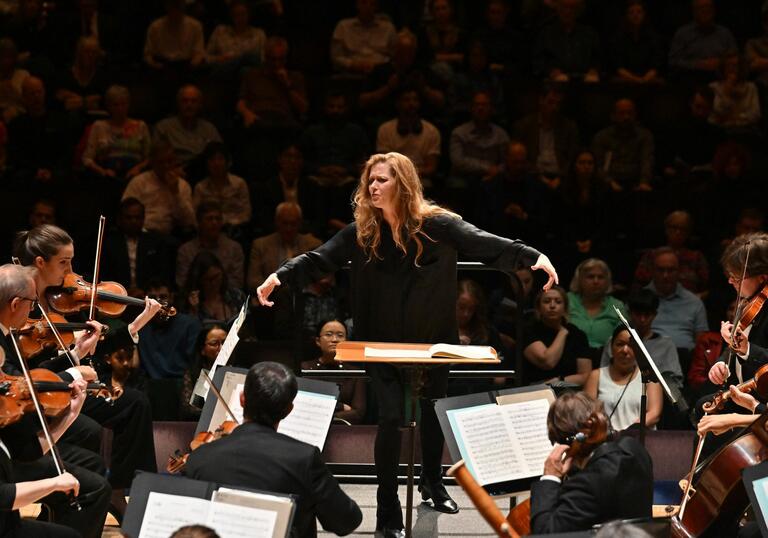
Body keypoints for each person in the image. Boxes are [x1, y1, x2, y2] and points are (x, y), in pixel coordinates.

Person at [256, 152, 557, 536]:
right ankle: (387, 508)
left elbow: (485, 244)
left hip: (433, 342)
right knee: (391, 418)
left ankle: (432, 483)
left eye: (382, 179)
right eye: (370, 181)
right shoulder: (362, 232)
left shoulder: (439, 225)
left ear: (403, 184)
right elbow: (320, 259)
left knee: (432, 410)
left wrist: (534, 256)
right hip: (379, 344)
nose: (373, 187)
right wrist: (279, 277)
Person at [13, 224, 162, 517]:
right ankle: (72, 500)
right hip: (41, 392)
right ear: (40, 262)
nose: (70, 271)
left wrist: (135, 325)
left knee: (135, 403)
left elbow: (96, 344)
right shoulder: (20, 305)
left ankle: (120, 490)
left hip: (70, 384)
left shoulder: (62, 300)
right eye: (64, 262)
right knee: (98, 424)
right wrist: (74, 358)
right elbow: (29, 370)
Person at [184, 361, 363, 537]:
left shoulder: (200, 457)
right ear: (288, 410)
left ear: (242, 399)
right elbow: (346, 521)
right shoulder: (304, 458)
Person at [0, 263, 106, 538]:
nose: (34, 309)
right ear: (15, 304)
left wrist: (73, 356)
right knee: (92, 486)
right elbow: (21, 386)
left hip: (14, 445)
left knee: (91, 463)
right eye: (31, 303)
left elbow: (23, 380)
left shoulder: (7, 335)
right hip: (10, 450)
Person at [530, 392, 653, 533]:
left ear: (567, 444)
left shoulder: (587, 484)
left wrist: (550, 478)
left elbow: (544, 533)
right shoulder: (635, 450)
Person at [584, 325, 663, 431]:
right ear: (611, 347)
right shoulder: (596, 376)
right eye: (619, 344)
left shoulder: (650, 376)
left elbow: (654, 414)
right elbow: (587, 412)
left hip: (638, 438)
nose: (625, 350)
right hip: (605, 440)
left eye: (631, 345)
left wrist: (628, 432)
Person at [122, 139, 196, 236]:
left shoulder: (183, 185)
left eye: (169, 161)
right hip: (141, 233)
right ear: (152, 163)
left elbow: (189, 221)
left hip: (167, 236)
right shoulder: (139, 182)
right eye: (161, 162)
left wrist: (175, 193)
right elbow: (124, 212)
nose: (166, 166)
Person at [523, 286, 592, 386]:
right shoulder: (529, 331)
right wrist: (562, 333)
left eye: (558, 302)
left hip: (568, 388)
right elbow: (547, 362)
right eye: (546, 301)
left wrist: (558, 381)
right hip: (535, 388)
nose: (552, 305)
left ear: (565, 308)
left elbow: (585, 375)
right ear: (538, 308)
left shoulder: (577, 334)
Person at [301, 319, 366, 425]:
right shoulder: (305, 368)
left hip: (345, 432)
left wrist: (322, 415)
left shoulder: (355, 372)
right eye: (329, 334)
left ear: (346, 341)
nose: (335, 339)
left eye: (340, 335)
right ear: (318, 341)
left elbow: (358, 413)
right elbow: (304, 407)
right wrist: (340, 407)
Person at [81, 84, 151, 183]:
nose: (120, 108)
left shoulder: (140, 126)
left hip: (136, 178)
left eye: (123, 104)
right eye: (116, 105)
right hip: (107, 178)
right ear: (108, 106)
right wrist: (102, 171)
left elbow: (150, 157)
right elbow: (87, 158)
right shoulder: (99, 126)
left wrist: (138, 168)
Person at [154, 85, 223, 173]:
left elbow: (220, 154)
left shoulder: (209, 129)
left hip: (204, 173)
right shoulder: (164, 127)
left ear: (200, 105)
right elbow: (157, 157)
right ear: (178, 104)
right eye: (185, 101)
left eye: (193, 101)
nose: (189, 105)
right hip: (173, 172)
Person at [176, 202, 245, 290]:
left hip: (227, 298)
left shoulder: (234, 248)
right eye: (209, 219)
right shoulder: (186, 251)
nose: (214, 222)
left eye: (218, 219)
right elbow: (182, 282)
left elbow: (237, 282)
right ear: (199, 222)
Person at [567, 258, 626, 349]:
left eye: (600, 277)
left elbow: (623, 339)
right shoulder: (567, 300)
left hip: (605, 358)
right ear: (579, 280)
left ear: (607, 281)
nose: (596, 281)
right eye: (590, 277)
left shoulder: (617, 306)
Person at [192, 142, 251, 230]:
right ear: (206, 163)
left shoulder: (239, 183)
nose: (216, 163)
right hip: (208, 229)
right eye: (212, 159)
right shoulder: (200, 187)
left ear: (227, 162)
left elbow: (246, 213)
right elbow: (195, 215)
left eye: (220, 159)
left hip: (235, 229)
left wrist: (231, 224)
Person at [182, 251, 246, 325]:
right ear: (199, 281)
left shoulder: (236, 295)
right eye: (208, 279)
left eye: (216, 276)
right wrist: (193, 310)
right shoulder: (192, 303)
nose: (214, 283)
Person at [180, 323, 226, 420]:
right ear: (202, 350)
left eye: (224, 342)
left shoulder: (236, 370)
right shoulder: (194, 372)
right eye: (214, 344)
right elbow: (189, 408)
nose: (221, 348)